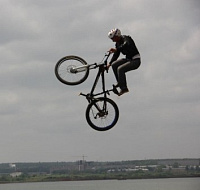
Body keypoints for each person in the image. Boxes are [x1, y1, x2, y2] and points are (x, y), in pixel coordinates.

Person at [107, 28, 141, 96]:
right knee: (114, 65)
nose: (113, 40)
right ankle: (120, 83)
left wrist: (116, 49)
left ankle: (124, 88)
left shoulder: (126, 38)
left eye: (113, 38)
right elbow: (116, 55)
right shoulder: (117, 44)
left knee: (120, 69)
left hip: (135, 60)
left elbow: (126, 44)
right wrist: (109, 64)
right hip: (128, 59)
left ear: (117, 35)